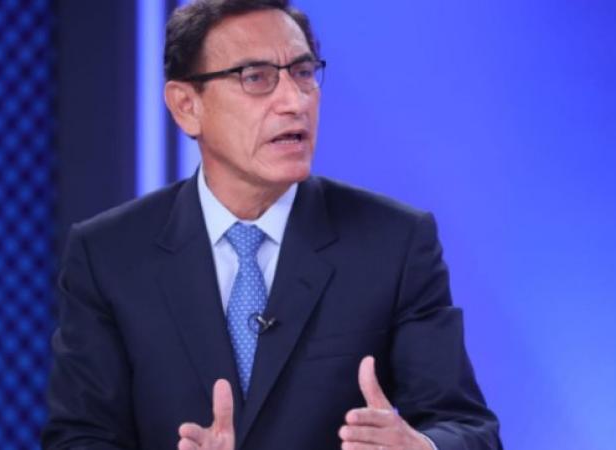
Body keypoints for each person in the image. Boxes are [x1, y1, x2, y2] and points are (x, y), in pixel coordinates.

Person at [42, 1, 501, 449]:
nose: (294, 100)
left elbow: (467, 428)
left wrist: (421, 447)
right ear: (186, 106)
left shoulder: (395, 243)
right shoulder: (108, 256)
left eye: (303, 73)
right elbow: (78, 437)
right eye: (256, 77)